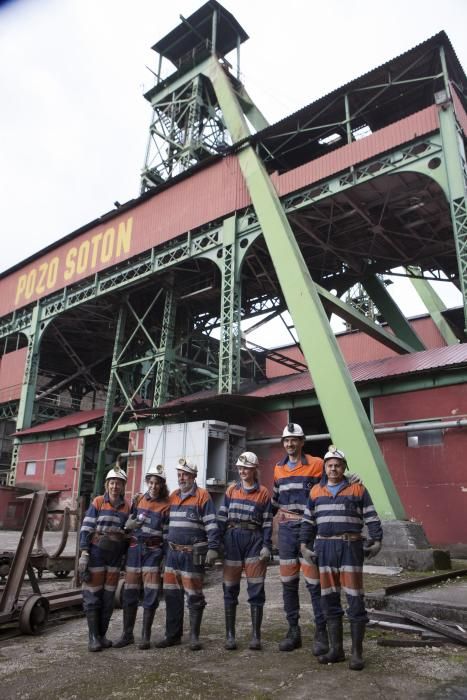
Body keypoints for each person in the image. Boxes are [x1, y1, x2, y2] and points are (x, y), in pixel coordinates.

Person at [300, 446, 383, 670]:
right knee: (329, 599)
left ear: (344, 467)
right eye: (330, 465)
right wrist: (303, 546)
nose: (333, 468)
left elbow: (371, 516)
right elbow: (308, 522)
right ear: (325, 468)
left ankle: (357, 654)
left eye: (337, 464)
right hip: (324, 547)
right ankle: (336, 650)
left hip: (350, 547)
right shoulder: (315, 492)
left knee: (355, 599)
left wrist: (377, 540)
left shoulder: (357, 489)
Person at [271, 422, 329, 655]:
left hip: (308, 529)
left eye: (294, 440)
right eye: (286, 441)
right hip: (286, 530)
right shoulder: (278, 468)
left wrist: (352, 479)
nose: (290, 444)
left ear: (302, 442)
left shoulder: (317, 464)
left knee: (314, 583)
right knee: (288, 583)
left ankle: (321, 632)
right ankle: (293, 631)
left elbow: (330, 487)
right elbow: (274, 502)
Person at [155, 458, 220, 651]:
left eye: (185, 474)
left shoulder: (203, 496)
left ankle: (193, 636)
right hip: (173, 554)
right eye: (179, 474)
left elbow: (211, 524)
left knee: (194, 595)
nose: (181, 478)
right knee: (172, 595)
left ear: (193, 476)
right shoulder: (173, 496)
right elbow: (165, 523)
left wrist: (213, 547)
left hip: (192, 555)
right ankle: (172, 635)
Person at [217, 451, 273, 651]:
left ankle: (256, 637)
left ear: (254, 470)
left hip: (254, 541)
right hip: (232, 540)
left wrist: (267, 545)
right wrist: (216, 545)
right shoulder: (231, 491)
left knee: (256, 588)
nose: (242, 471)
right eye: (240, 468)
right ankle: (230, 636)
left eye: (246, 468)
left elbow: (267, 522)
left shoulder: (264, 493)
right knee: (230, 588)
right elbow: (222, 518)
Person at [114, 463, 170, 650]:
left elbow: (167, 534)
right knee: (129, 593)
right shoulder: (138, 500)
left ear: (162, 485)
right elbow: (127, 528)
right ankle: (127, 634)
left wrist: (164, 558)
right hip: (134, 551)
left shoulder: (166, 505)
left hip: (153, 553)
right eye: (151, 482)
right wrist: (127, 527)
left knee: (151, 594)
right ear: (147, 482)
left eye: (157, 483)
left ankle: (145, 636)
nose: (153, 486)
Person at [78, 464, 131, 652]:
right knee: (93, 595)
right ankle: (93, 638)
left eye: (118, 483)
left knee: (108, 597)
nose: (115, 487)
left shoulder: (127, 507)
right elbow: (86, 527)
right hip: (97, 554)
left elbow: (127, 535)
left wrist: (125, 555)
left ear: (123, 486)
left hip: (115, 557)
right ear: (107, 484)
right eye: (112, 483)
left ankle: (102, 636)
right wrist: (84, 552)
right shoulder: (98, 502)